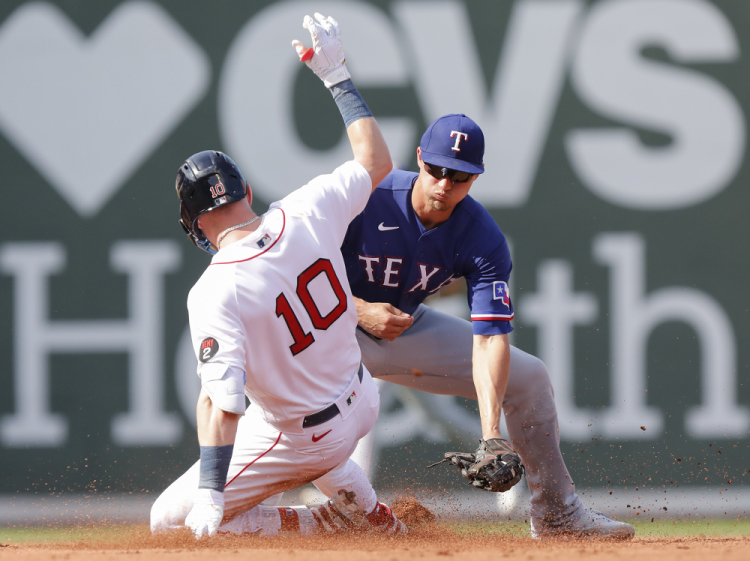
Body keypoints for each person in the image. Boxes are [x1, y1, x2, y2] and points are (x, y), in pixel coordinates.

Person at [150, 13, 405, 538]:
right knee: (289, 415)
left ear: (195, 223)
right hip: (363, 401)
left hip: (309, 437)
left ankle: (324, 525)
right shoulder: (309, 207)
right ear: (244, 191)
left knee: (169, 523)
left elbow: (222, 405)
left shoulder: (215, 288)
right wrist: (337, 77)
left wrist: (211, 494)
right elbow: (377, 161)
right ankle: (369, 510)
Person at [341, 113, 635, 540]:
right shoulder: (368, 194)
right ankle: (225, 499)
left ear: (475, 178)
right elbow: (291, 274)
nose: (444, 183)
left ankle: (558, 517)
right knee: (294, 423)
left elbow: (491, 336)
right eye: (437, 169)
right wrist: (358, 310)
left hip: (403, 327)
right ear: (419, 158)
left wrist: (491, 434)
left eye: (459, 175)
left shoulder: (481, 236)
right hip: (326, 327)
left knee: (530, 376)